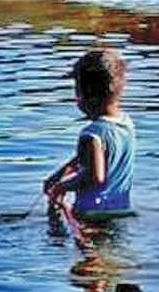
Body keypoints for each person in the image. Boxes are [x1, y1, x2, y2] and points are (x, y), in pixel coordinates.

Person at [43, 49, 135, 219]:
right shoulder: (126, 123)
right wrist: (59, 174)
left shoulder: (91, 134)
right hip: (121, 208)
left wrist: (60, 187)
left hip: (91, 214)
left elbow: (95, 177)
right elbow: (91, 158)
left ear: (85, 95)